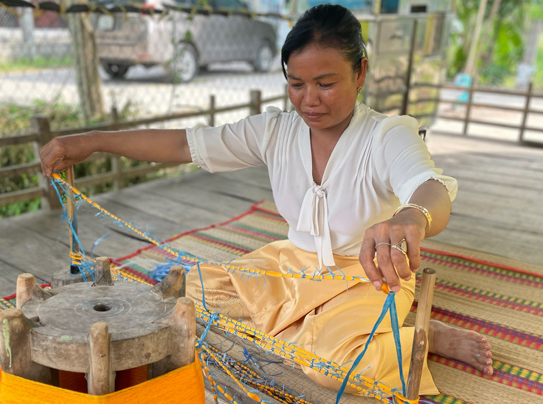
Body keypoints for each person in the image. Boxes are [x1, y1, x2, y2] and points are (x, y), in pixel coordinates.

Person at [40, 4, 493, 396]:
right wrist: (93, 141)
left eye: (325, 83)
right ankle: (311, 323)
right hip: (290, 264)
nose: (309, 100)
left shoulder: (387, 133)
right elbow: (184, 145)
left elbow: (429, 187)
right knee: (181, 298)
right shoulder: (276, 130)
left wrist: (411, 216)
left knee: (330, 371)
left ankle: (420, 335)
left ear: (361, 72)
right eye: (296, 84)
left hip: (366, 273)